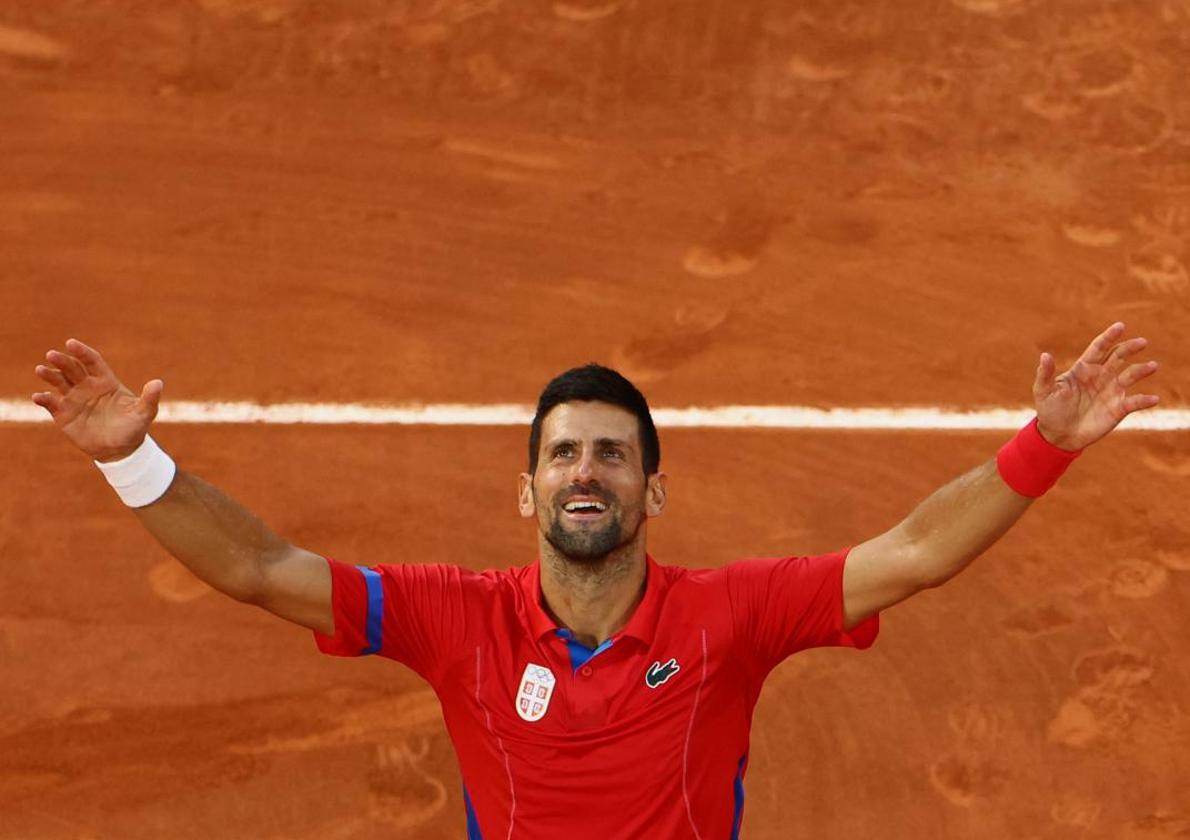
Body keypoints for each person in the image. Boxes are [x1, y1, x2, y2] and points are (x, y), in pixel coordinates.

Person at [32, 324, 1160, 839]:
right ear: (524, 494)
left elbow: (913, 553)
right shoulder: (450, 618)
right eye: (564, 453)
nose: (587, 471)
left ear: (650, 494)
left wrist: (1043, 445)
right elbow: (258, 567)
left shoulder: (732, 616)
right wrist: (131, 457)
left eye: (612, 454)